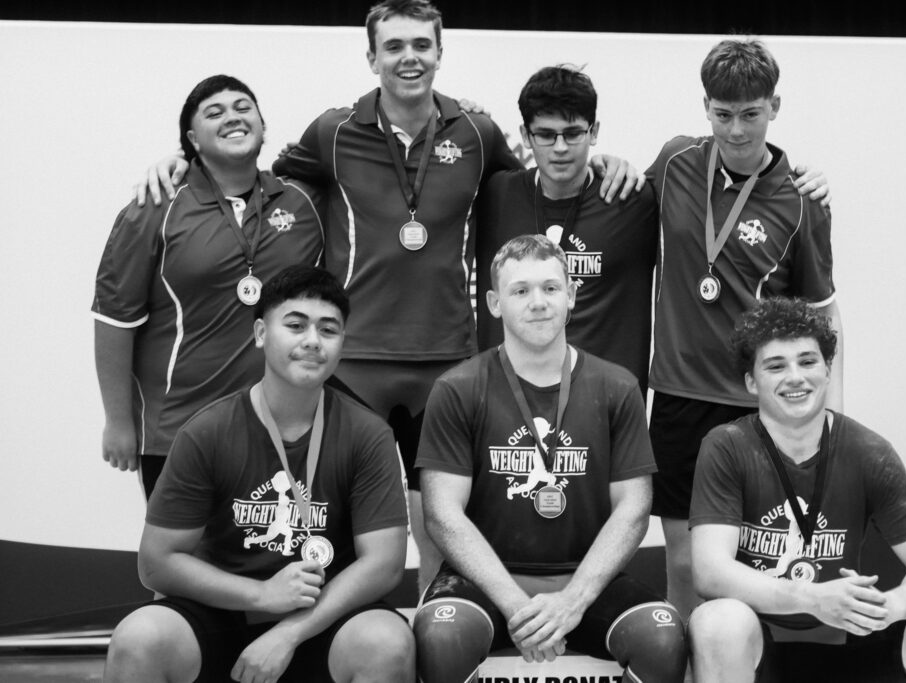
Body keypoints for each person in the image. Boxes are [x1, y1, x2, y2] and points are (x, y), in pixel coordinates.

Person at [134, 0, 640, 592]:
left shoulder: (476, 133)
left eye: (422, 45)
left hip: (446, 363)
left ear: (440, 53)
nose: (409, 57)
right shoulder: (333, 131)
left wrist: (602, 161)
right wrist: (188, 161)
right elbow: (254, 175)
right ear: (372, 57)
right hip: (356, 365)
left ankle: (438, 626)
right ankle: (343, 632)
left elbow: (538, 178)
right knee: (348, 523)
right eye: (394, 46)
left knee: (441, 526)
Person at [103, 265, 413, 683]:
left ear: (342, 342)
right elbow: (156, 563)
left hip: (322, 620)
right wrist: (262, 594)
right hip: (223, 615)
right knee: (138, 639)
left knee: (386, 642)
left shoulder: (368, 434)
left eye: (328, 329)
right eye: (295, 325)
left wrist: (288, 633)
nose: (312, 340)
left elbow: (384, 564)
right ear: (261, 333)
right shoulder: (208, 431)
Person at [413, 235, 687, 682]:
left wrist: (572, 602)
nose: (538, 302)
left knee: (661, 637)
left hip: (586, 578)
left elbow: (634, 509)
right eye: (520, 290)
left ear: (571, 295)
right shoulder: (457, 388)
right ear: (494, 303)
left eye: (550, 288)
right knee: (443, 636)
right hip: (484, 580)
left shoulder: (617, 387)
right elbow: (442, 515)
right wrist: (518, 608)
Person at [687, 297, 906, 683]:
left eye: (807, 362)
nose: (795, 377)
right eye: (776, 366)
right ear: (751, 381)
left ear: (828, 370)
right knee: (716, 621)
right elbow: (710, 571)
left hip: (852, 641)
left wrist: (890, 606)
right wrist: (813, 598)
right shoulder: (727, 446)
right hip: (762, 647)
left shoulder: (868, 451)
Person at [645, 38, 843, 615]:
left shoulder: (803, 201)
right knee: (685, 562)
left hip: (756, 405)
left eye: (751, 114)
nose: (736, 130)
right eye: (723, 114)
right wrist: (608, 163)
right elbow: (619, 195)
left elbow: (822, 316)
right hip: (679, 397)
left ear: (774, 107)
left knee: (755, 562)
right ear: (705, 107)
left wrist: (828, 415)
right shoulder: (675, 161)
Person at [93, 75, 324, 497]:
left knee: (269, 539)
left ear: (262, 126)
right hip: (177, 429)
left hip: (280, 428)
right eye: (214, 113)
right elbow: (114, 320)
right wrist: (119, 421)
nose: (232, 117)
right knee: (176, 541)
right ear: (192, 140)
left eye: (243, 108)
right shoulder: (153, 208)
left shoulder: (304, 202)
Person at [475, 65, 658, 394]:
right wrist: (463, 111)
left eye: (573, 133)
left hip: (604, 402)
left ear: (594, 131)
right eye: (546, 135)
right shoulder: (494, 195)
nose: (560, 147)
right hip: (510, 401)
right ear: (525, 135)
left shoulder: (632, 200)